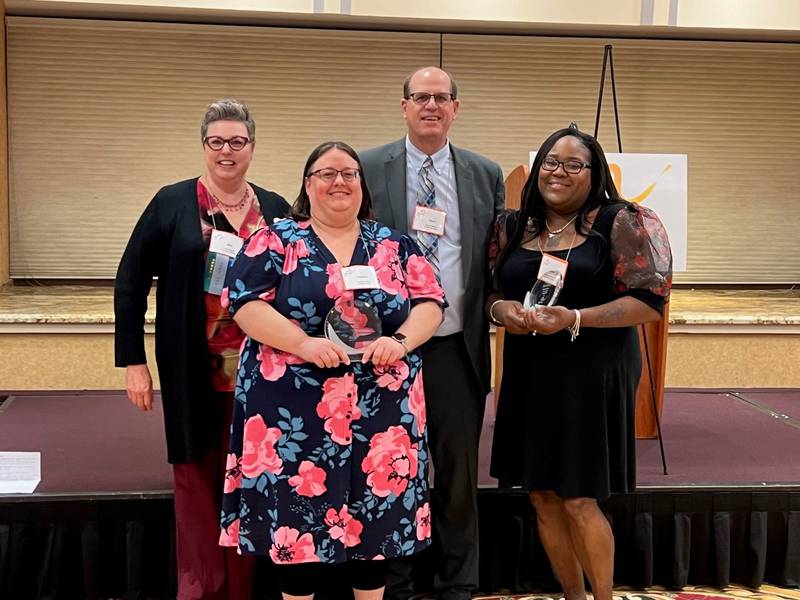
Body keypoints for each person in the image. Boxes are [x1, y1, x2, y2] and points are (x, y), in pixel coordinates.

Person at [218, 141, 446, 600]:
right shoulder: (276, 239)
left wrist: (398, 341)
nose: (339, 182)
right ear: (307, 184)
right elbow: (242, 303)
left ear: (362, 184)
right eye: (326, 173)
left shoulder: (395, 244)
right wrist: (303, 343)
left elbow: (431, 303)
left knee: (375, 533)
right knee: (296, 531)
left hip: (381, 409)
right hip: (293, 409)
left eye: (349, 173)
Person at [114, 99, 290, 600]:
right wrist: (133, 363)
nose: (227, 151)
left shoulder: (275, 208)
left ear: (252, 148)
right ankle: (199, 586)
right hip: (192, 368)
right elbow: (130, 282)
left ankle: (243, 588)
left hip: (264, 373)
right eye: (217, 141)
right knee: (195, 479)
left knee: (252, 483)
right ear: (204, 147)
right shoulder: (172, 202)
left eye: (237, 141)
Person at [487, 127, 672, 600]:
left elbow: (650, 301)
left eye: (574, 164)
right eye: (551, 161)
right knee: (542, 496)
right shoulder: (513, 225)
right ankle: (572, 597)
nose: (559, 172)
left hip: (590, 373)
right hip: (529, 372)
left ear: (596, 173)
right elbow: (493, 290)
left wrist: (574, 317)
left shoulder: (622, 221)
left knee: (577, 496)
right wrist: (501, 311)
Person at [360, 66, 505, 600]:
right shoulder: (367, 166)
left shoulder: (484, 173)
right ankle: (394, 583)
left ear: (456, 108)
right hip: (384, 347)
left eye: (441, 98)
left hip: (455, 347)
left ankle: (456, 584)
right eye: (420, 97)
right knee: (389, 469)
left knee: (456, 474)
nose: (431, 106)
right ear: (403, 106)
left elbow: (493, 258)